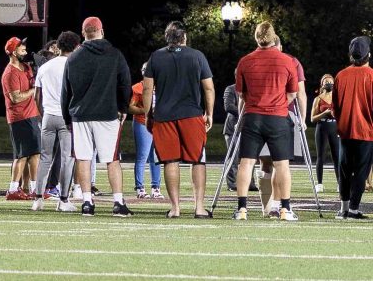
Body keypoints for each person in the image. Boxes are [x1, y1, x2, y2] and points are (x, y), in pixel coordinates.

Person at [226, 20, 302, 221]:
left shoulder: (245, 61)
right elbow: (293, 93)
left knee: (246, 163)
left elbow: (241, 93)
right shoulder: (287, 61)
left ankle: (242, 208)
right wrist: (277, 103)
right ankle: (285, 209)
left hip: (253, 116)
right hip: (277, 117)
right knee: (282, 164)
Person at [143, 21, 217, 219]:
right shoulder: (197, 56)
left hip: (164, 115)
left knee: (170, 161)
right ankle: (199, 208)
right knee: (198, 161)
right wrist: (209, 113)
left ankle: (175, 208)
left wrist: (148, 113)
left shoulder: (156, 57)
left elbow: (147, 88)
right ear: (184, 37)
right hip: (192, 114)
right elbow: (208, 87)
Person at [61, 15, 133, 216]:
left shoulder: (73, 57)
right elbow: (125, 83)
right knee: (112, 159)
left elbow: (65, 91)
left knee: (83, 158)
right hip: (107, 113)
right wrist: (123, 107)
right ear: (102, 31)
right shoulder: (114, 54)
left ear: (83, 33)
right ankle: (118, 202)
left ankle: (87, 202)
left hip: (81, 115)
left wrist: (68, 118)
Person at [331, 35, 373, 220]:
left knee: (344, 170)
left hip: (346, 131)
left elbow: (335, 108)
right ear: (369, 55)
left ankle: (344, 208)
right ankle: (354, 209)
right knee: (361, 171)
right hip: (366, 132)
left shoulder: (341, 76)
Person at [31, 33, 77, 211]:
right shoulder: (73, 65)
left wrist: (43, 115)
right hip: (66, 118)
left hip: (48, 116)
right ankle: (63, 200)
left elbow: (37, 96)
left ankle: (38, 198)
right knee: (67, 158)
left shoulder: (45, 66)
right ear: (74, 47)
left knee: (45, 157)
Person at [0, 35, 40, 201]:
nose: (24, 48)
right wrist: (35, 89)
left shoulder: (26, 67)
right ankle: (14, 189)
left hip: (31, 115)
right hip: (19, 117)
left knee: (34, 153)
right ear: (12, 52)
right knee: (22, 155)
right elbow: (16, 98)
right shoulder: (10, 73)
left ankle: (30, 188)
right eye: (20, 46)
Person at [306, 76, 338, 196]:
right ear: (322, 84)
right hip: (322, 127)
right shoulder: (318, 99)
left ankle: (340, 183)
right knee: (321, 156)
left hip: (334, 127)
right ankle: (319, 183)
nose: (329, 84)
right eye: (326, 82)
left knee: (337, 156)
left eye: (331, 82)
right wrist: (324, 113)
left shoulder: (337, 97)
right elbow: (312, 118)